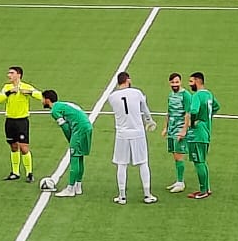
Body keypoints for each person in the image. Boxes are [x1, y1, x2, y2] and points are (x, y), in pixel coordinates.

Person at [105, 70, 159, 204]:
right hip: (138, 132)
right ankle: (147, 194)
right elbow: (145, 109)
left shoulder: (112, 97)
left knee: (121, 164)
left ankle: (122, 196)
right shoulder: (137, 92)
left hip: (122, 134)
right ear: (127, 80)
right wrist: (150, 121)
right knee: (143, 163)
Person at [40, 89, 93, 197]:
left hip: (79, 128)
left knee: (74, 157)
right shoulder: (62, 105)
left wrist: (71, 140)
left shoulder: (54, 110)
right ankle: (78, 186)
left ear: (47, 100)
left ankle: (70, 189)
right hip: (87, 126)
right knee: (80, 156)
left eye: (43, 99)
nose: (42, 101)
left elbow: (65, 127)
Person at [0, 66, 38, 182]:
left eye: (11, 73)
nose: (9, 75)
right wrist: (8, 93)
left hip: (22, 121)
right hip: (10, 121)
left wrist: (28, 92)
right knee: (13, 146)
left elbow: (39, 95)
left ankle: (29, 173)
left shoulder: (26, 87)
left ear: (18, 75)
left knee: (24, 147)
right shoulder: (7, 87)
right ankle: (15, 172)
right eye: (9, 73)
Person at [180, 71, 218, 199]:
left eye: (191, 81)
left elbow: (194, 110)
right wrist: (206, 119)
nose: (190, 84)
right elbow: (216, 107)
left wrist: (193, 122)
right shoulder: (209, 94)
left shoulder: (196, 96)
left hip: (197, 134)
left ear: (197, 81)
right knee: (202, 161)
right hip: (206, 132)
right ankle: (206, 188)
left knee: (199, 162)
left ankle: (203, 191)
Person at [164, 72, 189, 192]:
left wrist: (184, 130)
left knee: (179, 155)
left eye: (177, 82)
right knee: (175, 154)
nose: (175, 84)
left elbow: (188, 113)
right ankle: (178, 180)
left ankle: (181, 182)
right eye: (173, 82)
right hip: (171, 129)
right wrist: (166, 127)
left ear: (180, 82)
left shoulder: (186, 95)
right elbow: (169, 112)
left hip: (179, 129)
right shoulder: (170, 95)